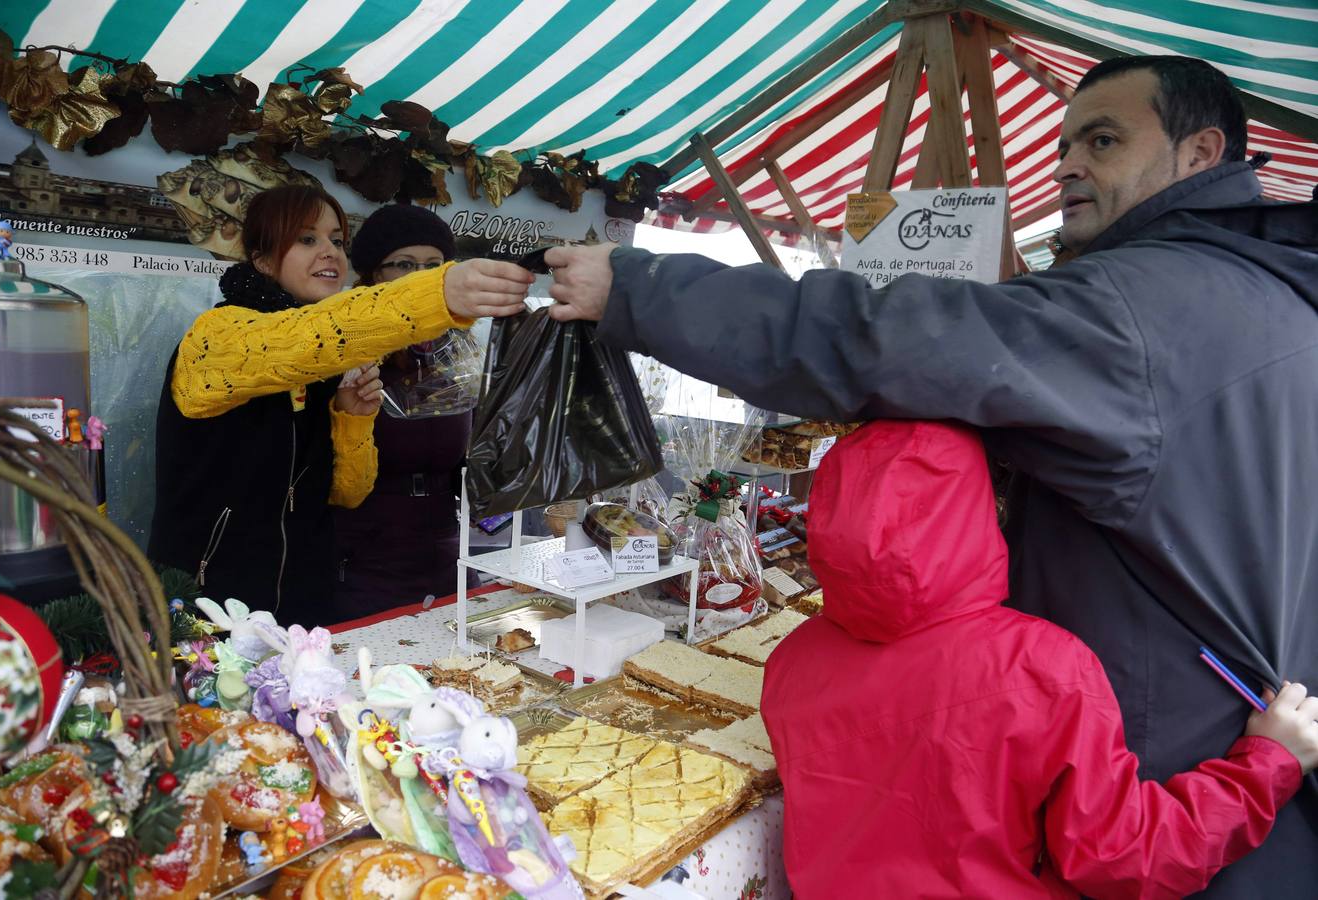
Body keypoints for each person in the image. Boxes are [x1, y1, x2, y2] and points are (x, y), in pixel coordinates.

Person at [545, 56, 1318, 894]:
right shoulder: (1274, 296)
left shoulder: (1140, 307)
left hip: (1173, 777)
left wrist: (644, 292)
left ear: (1201, 152)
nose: (1066, 165)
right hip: (1249, 736)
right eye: (1064, 142)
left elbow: (889, 340)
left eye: (1102, 139)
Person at [764, 419, 1318, 898]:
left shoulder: (790, 662)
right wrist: (1269, 764)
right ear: (975, 504)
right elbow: (1124, 861)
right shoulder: (1045, 666)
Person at [149, 185, 533, 625]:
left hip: (303, 600)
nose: (329, 252)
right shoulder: (217, 336)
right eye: (307, 239)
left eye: (336, 240)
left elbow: (346, 493)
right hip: (207, 601)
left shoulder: (329, 363)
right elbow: (302, 339)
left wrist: (353, 416)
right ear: (262, 259)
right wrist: (439, 292)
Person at [332, 204, 475, 615]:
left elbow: (463, 465)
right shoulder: (347, 351)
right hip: (366, 561)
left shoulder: (458, 352)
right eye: (405, 264)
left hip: (444, 553)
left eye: (435, 264)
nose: (423, 277)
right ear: (373, 275)